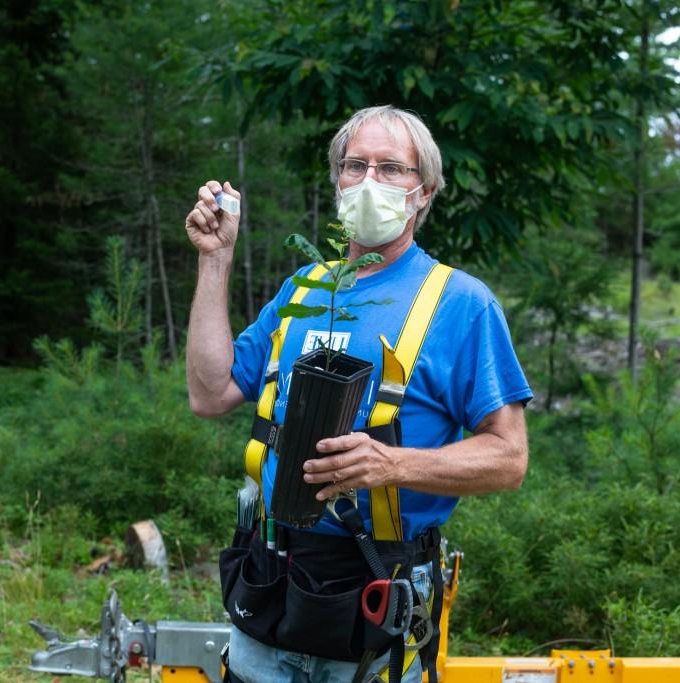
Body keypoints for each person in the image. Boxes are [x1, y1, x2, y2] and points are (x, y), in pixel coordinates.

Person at [184, 105, 533, 683]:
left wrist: (389, 463)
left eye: (391, 169)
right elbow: (211, 392)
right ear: (338, 181)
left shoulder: (461, 303)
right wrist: (215, 259)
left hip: (379, 593)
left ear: (423, 193)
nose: (369, 181)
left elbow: (509, 458)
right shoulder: (306, 287)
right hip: (271, 579)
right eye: (355, 166)